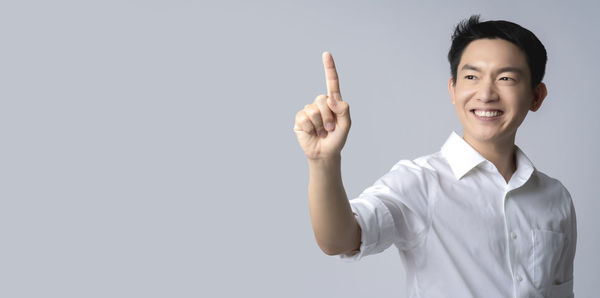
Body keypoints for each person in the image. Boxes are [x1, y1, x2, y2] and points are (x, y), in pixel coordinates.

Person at [293, 15, 577, 298]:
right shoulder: (419, 183)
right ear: (453, 90)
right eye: (471, 77)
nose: (487, 93)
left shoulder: (556, 197)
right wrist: (323, 162)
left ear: (536, 97)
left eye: (506, 78)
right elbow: (339, 240)